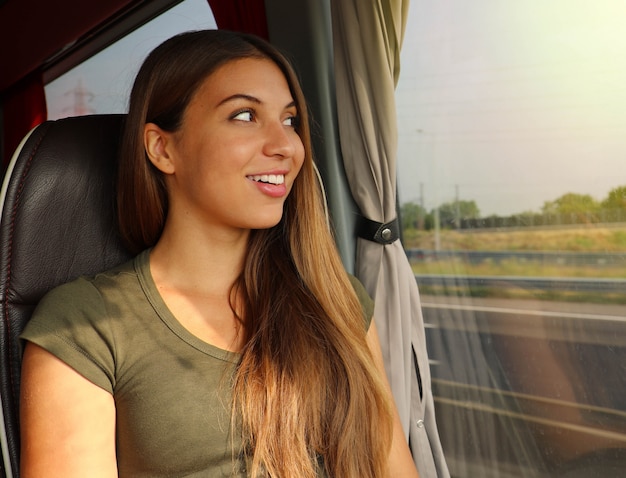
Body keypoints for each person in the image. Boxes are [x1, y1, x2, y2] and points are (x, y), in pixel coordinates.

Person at [19, 30, 419, 478]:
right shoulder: (85, 323)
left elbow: (392, 467)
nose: (286, 146)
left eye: (289, 121)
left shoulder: (336, 297)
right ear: (162, 148)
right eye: (245, 115)